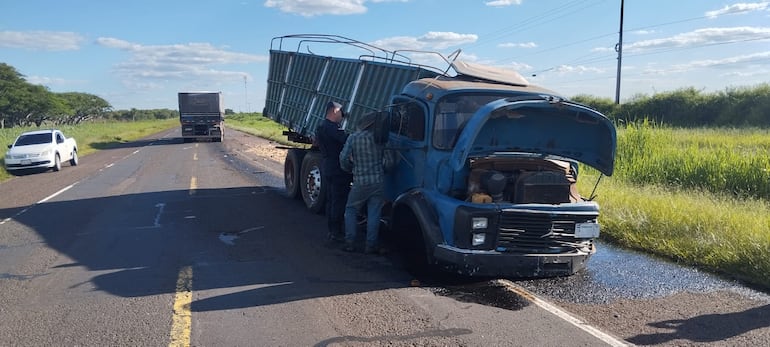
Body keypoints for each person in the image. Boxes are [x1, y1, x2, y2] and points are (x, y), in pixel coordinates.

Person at [339, 112, 395, 254]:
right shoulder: (382, 140)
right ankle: (370, 245)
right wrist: (381, 169)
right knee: (374, 213)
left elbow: (344, 158)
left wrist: (350, 169)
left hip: (360, 181)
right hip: (377, 181)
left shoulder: (354, 138)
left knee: (351, 210)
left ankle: (350, 242)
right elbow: (390, 163)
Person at [315, 101, 352, 242]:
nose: (342, 117)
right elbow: (347, 140)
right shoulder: (333, 129)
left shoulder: (321, 127)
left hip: (327, 166)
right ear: (335, 111)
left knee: (331, 200)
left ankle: (331, 230)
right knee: (339, 200)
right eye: (341, 113)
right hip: (338, 169)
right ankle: (336, 232)